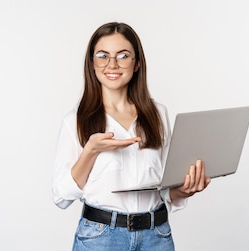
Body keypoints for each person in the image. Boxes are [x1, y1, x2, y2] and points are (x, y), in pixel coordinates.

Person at [51, 22, 211, 251]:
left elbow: (164, 188)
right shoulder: (74, 121)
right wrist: (91, 151)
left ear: (136, 63)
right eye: (103, 56)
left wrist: (185, 189)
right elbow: (61, 196)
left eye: (123, 55)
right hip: (101, 238)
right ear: (92, 63)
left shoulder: (158, 114)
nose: (112, 64)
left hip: (156, 235)